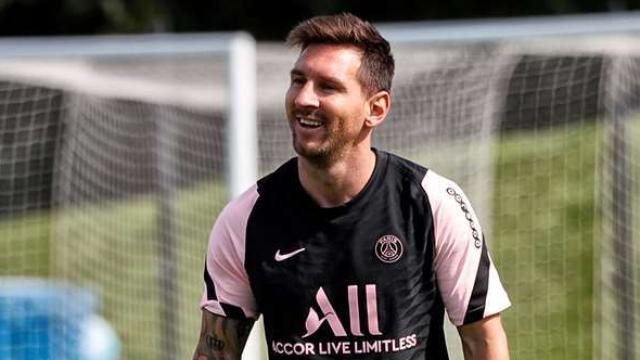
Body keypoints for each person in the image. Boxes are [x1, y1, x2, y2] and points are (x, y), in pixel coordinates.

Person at [193, 13, 511, 360]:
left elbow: (483, 341)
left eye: (327, 87)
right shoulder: (245, 219)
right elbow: (215, 352)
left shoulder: (431, 203)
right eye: (298, 81)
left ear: (376, 109)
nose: (303, 98)